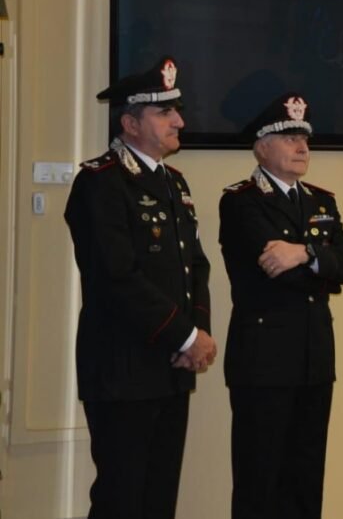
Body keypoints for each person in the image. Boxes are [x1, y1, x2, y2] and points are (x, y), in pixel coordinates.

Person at [64, 56, 217, 519]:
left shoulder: (174, 183)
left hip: (171, 367)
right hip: (123, 369)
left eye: (177, 111)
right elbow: (117, 277)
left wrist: (196, 338)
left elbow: (195, 267)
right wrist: (185, 337)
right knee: (122, 501)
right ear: (130, 123)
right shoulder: (100, 183)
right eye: (165, 112)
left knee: (158, 500)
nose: (179, 121)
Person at [218, 92, 343, 519]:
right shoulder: (241, 201)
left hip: (315, 359)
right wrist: (321, 263)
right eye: (290, 138)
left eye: (305, 139)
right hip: (263, 362)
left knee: (305, 481)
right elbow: (275, 270)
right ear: (262, 147)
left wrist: (303, 253)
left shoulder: (321, 201)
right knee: (260, 482)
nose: (302, 147)